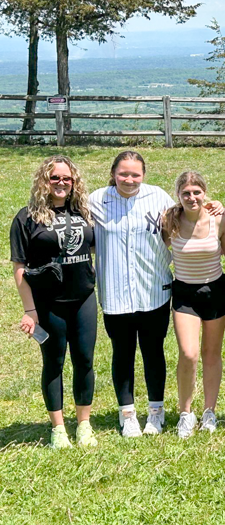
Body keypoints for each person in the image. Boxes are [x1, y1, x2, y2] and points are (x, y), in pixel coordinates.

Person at [10, 156, 98, 449]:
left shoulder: (84, 213)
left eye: (67, 179)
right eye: (55, 178)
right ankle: (58, 429)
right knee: (55, 362)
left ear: (74, 183)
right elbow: (19, 268)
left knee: (85, 360)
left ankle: (84, 424)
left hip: (84, 297)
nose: (61, 183)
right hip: (49, 303)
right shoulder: (27, 218)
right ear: (44, 181)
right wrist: (30, 311)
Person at [89, 151, 175, 438]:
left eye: (135, 174)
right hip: (115, 295)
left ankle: (156, 411)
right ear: (113, 173)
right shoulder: (96, 201)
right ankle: (127, 413)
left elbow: (188, 218)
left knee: (153, 353)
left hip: (154, 290)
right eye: (123, 173)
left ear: (144, 175)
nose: (129, 179)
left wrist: (213, 208)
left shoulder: (159, 198)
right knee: (122, 354)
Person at [162, 171, 225, 439]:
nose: (192, 197)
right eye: (186, 193)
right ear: (178, 196)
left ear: (205, 193)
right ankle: (185, 413)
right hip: (184, 294)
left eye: (197, 192)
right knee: (189, 354)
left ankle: (210, 412)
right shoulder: (170, 220)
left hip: (215, 291)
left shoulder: (219, 219)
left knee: (211, 354)